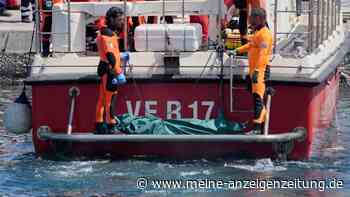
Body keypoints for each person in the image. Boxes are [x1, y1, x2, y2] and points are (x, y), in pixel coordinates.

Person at [230, 8, 272, 134]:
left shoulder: (264, 35)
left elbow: (263, 55)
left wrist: (258, 72)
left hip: (260, 70)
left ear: (260, 19)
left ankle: (257, 128)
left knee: (257, 98)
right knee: (252, 91)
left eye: (253, 18)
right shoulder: (257, 33)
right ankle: (261, 115)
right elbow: (250, 45)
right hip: (254, 70)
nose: (251, 21)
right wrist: (236, 51)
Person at [95, 7, 126, 134]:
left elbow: (112, 53)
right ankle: (111, 126)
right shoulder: (107, 35)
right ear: (112, 19)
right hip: (109, 71)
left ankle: (99, 125)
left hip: (105, 69)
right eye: (119, 20)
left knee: (102, 99)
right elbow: (110, 56)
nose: (121, 22)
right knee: (110, 99)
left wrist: (122, 56)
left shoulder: (107, 33)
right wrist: (119, 72)